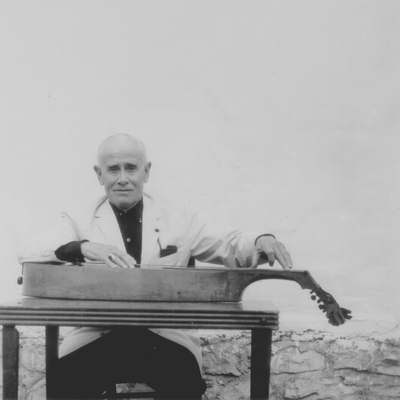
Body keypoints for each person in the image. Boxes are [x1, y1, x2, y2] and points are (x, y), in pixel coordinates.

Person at [18, 133, 292, 399]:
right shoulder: (78, 216)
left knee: (183, 380)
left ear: (146, 171)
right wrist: (84, 246)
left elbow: (227, 245)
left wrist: (259, 240)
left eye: (131, 168)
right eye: (113, 169)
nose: (122, 178)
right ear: (99, 174)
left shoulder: (177, 215)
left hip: (164, 335)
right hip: (97, 334)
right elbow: (28, 252)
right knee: (65, 381)